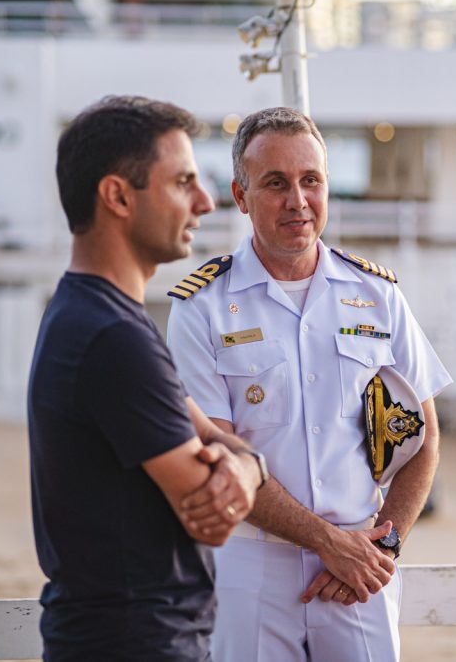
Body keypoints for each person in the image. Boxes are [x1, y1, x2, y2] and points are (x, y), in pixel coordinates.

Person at [166, 106, 452, 662]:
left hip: (362, 568)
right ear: (241, 195)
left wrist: (383, 545)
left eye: (311, 180)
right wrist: (329, 544)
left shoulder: (378, 295)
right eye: (276, 183)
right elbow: (212, 456)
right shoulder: (201, 308)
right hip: (249, 567)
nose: (298, 200)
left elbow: (425, 442)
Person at [28, 95, 269, 660]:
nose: (206, 202)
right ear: (117, 196)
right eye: (183, 181)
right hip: (135, 643)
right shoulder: (114, 338)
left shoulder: (89, 315)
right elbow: (212, 520)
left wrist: (246, 465)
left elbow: (208, 435)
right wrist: (247, 466)